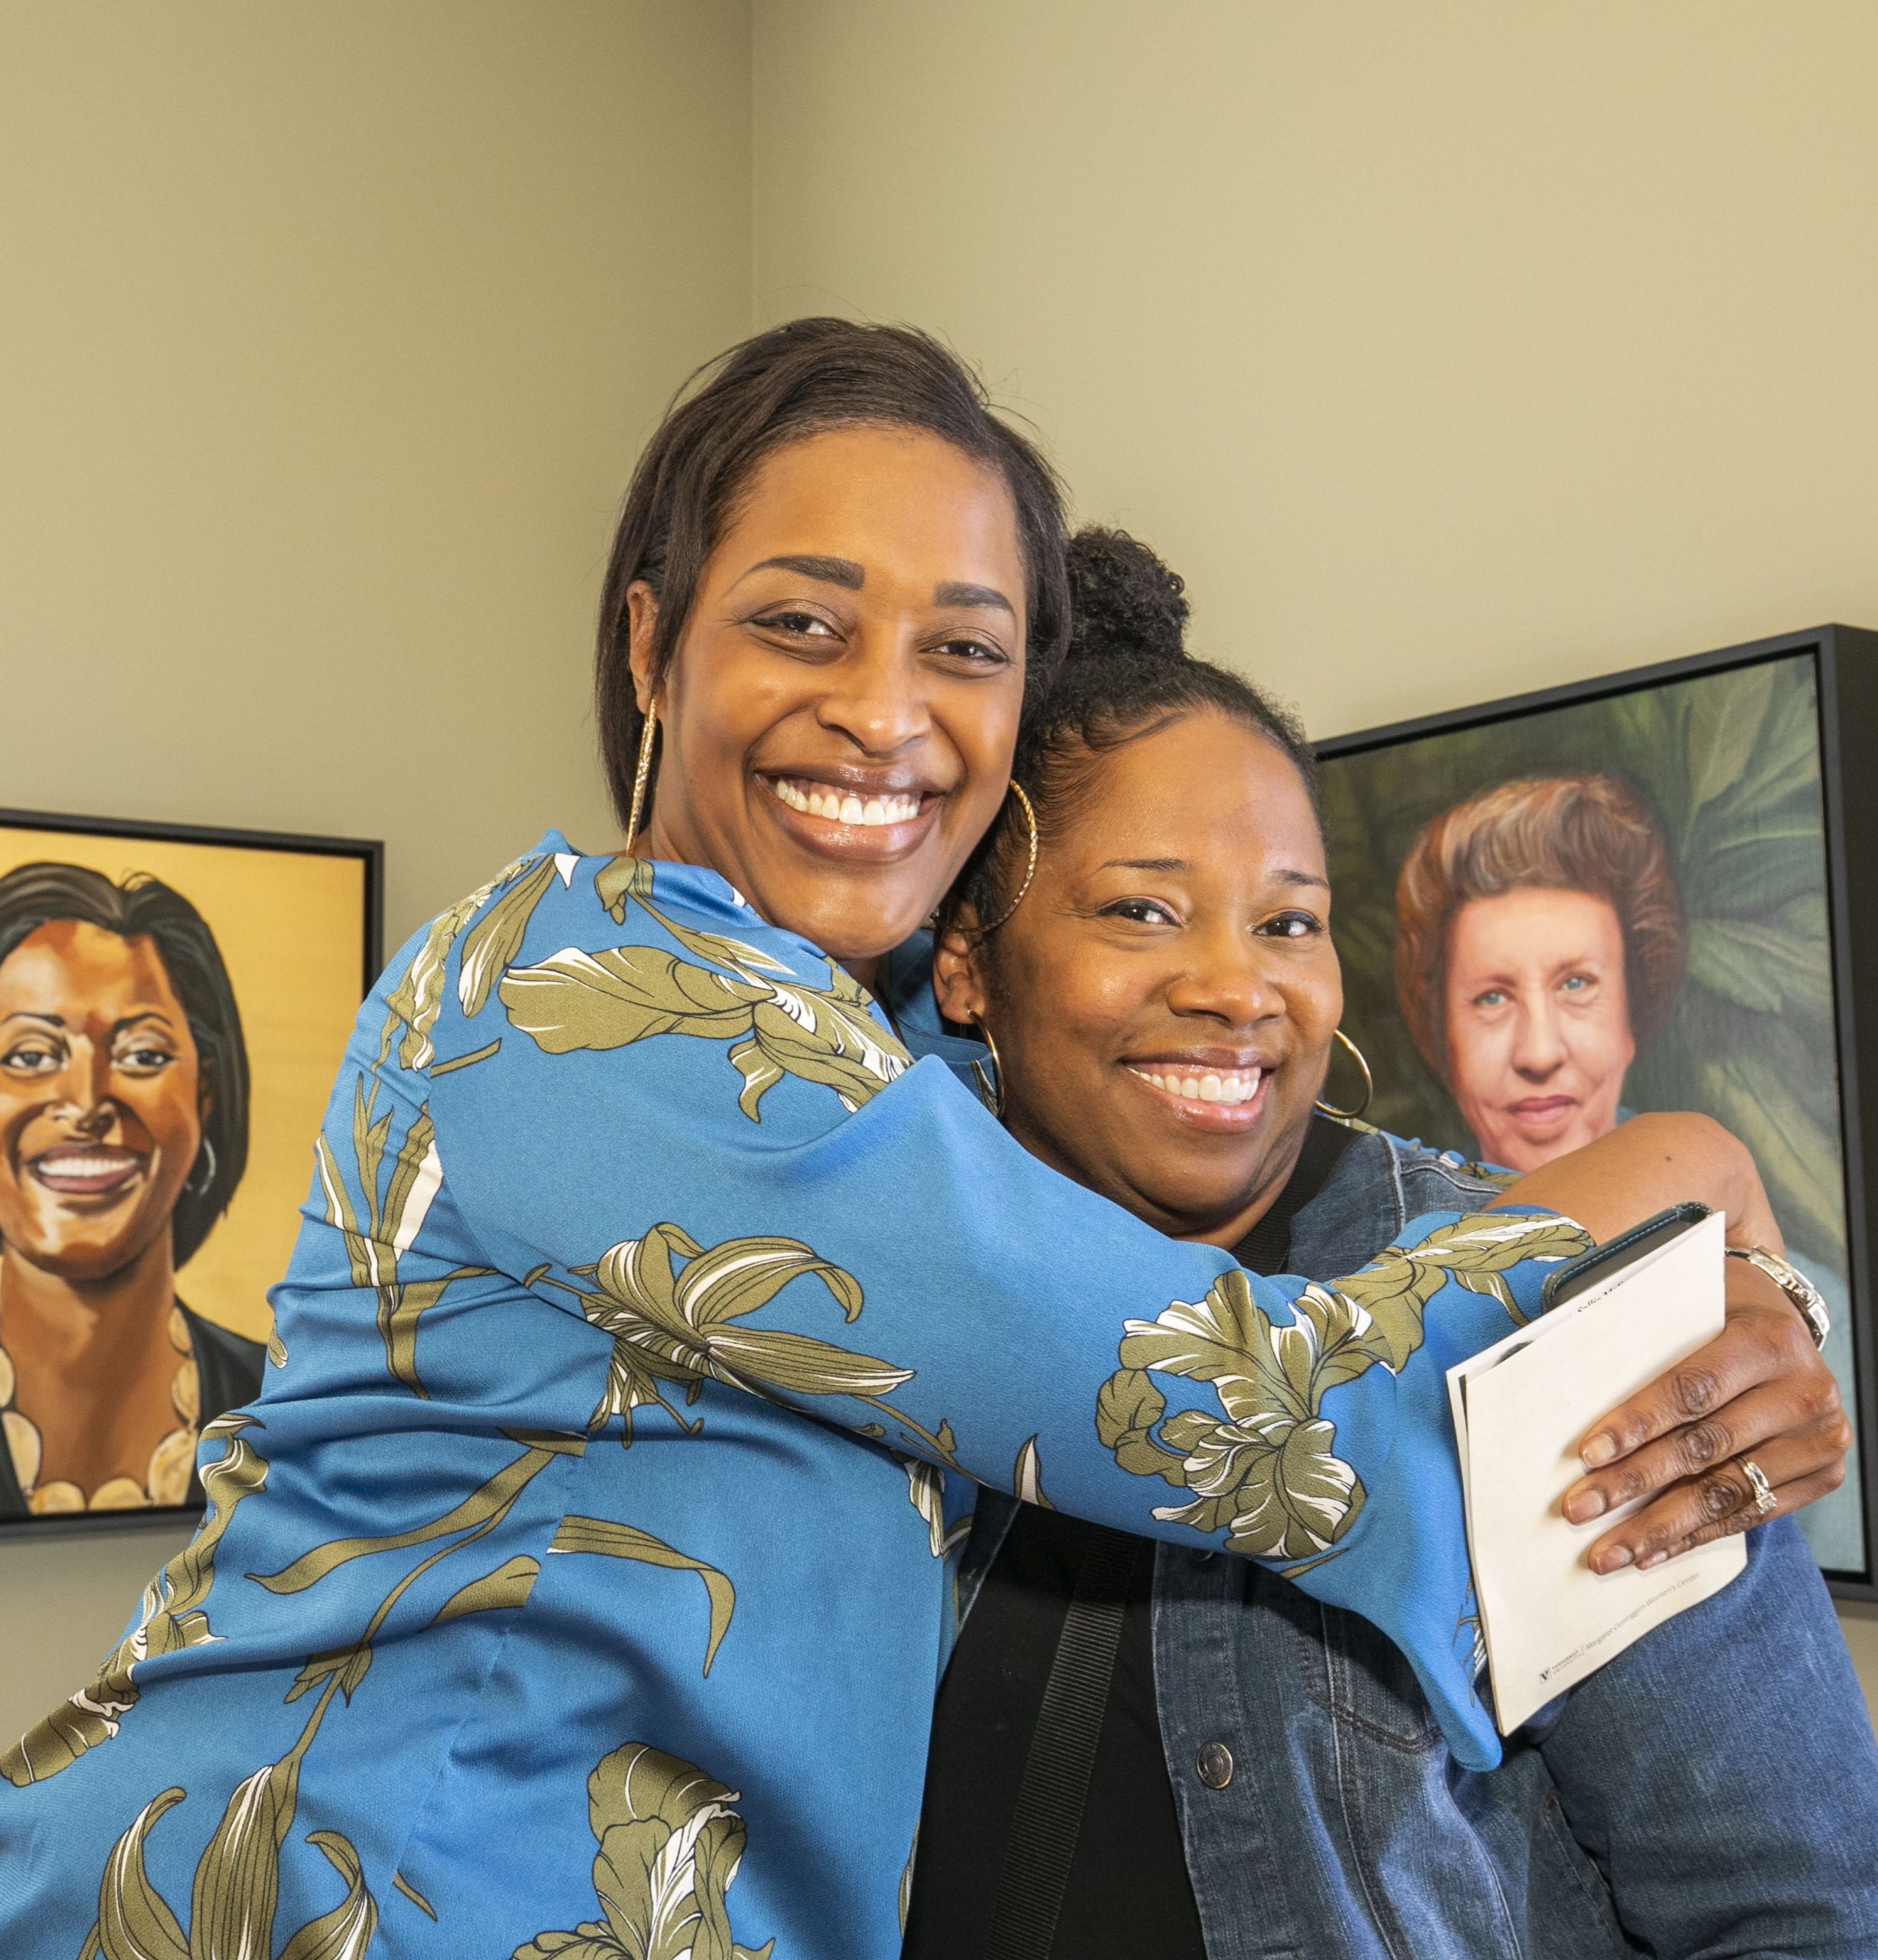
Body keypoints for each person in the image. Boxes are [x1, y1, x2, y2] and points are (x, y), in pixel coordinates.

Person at [0, 322, 1840, 1958]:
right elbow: (1247, 1398)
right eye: (800, 619)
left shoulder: (896, 1096)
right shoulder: (589, 997)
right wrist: (1674, 1168)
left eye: (959, 647)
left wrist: (1760, 1287)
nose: (882, 709)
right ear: (651, 640)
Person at [903, 528, 1873, 1959]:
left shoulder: (1553, 1323)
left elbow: (1801, 1914)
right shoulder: (894, 1302)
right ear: (967, 961)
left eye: (1287, 921)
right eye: (1140, 910)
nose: (1237, 987)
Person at [0, 861, 260, 1517]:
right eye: (28, 1056)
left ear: (204, 1092)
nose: (86, 1105)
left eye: (142, 1055)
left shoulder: (282, 1405)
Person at [1393, 773, 1684, 1171]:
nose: (1539, 1054)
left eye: (1576, 984)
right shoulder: (1409, 1230)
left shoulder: (1720, 1216)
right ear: (1444, 1039)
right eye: (1492, 997)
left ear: (1632, 1013)